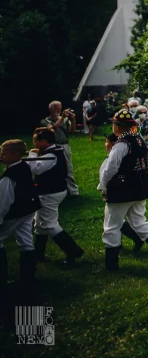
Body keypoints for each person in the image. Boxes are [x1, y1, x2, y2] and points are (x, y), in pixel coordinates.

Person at [98, 108, 148, 270]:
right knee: (139, 221)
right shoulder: (138, 140)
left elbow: (111, 168)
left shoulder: (121, 144)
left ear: (116, 126)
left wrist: (103, 185)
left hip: (122, 189)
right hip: (139, 186)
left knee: (112, 225)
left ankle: (111, 264)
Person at [29, 127, 84, 264]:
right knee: (40, 225)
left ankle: (73, 250)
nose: (34, 144)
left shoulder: (51, 155)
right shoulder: (55, 151)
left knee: (50, 224)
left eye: (36, 141)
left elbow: (35, 168)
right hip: (53, 190)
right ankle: (38, 254)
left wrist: (32, 155)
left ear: (44, 141)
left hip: (50, 193)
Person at [0, 139, 41, 283]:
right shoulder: (24, 166)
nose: (1, 156)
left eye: (4, 154)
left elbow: (4, 202)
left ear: (16, 154)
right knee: (26, 241)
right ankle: (28, 277)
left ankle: (2, 278)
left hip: (15, 212)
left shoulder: (9, 177)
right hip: (28, 208)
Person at [42, 100, 80, 196]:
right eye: (56, 108)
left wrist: (73, 119)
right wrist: (63, 117)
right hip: (53, 146)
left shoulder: (64, 120)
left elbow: (72, 130)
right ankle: (57, 189)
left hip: (64, 145)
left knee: (68, 167)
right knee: (52, 167)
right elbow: (52, 129)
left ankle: (73, 191)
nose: (58, 110)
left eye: (59, 108)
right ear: (50, 109)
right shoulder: (45, 121)